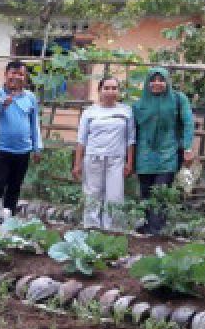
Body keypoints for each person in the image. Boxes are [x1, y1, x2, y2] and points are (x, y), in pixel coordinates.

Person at [133, 67, 195, 235]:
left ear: (167, 82)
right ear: (148, 83)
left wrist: (188, 147)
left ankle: (156, 229)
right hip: (144, 154)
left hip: (168, 152)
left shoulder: (178, 99)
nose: (157, 83)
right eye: (153, 80)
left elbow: (188, 123)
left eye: (161, 80)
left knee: (161, 190)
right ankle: (148, 225)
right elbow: (133, 131)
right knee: (146, 191)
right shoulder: (138, 104)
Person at [73, 76, 134, 230]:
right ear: (99, 91)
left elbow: (130, 140)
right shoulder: (90, 112)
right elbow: (81, 140)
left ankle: (112, 230)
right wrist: (77, 164)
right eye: (106, 88)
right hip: (93, 159)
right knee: (92, 195)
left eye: (114, 88)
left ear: (118, 91)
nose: (110, 91)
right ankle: (91, 229)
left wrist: (129, 162)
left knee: (114, 197)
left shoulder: (126, 111)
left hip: (116, 160)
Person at [0, 60, 43, 217]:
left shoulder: (30, 97)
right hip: (1, 148)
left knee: (15, 186)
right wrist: (4, 102)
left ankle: (9, 217)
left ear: (25, 77)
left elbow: (34, 123)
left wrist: (37, 147)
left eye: (21, 74)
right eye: (13, 73)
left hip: (23, 150)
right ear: (6, 75)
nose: (17, 77)